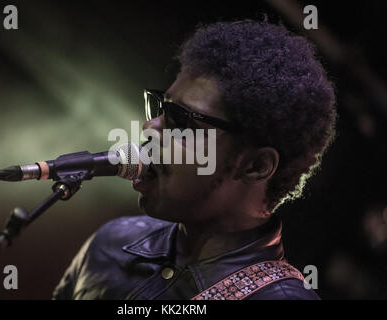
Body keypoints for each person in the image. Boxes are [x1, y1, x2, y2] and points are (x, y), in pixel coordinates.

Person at [53, 19, 336, 300]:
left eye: (181, 120)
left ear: (256, 166)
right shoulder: (112, 242)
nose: (151, 126)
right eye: (161, 107)